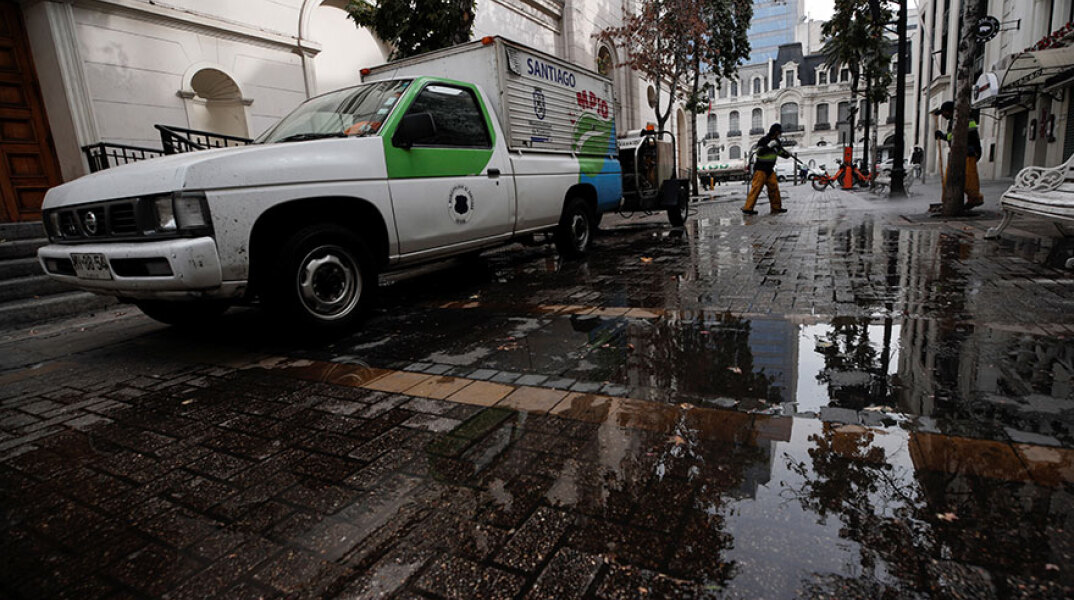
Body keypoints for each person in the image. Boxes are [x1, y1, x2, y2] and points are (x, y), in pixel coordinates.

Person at [933, 101, 983, 208]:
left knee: (968, 180)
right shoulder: (953, 121)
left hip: (968, 153)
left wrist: (944, 136)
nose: (942, 116)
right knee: (950, 179)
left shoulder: (964, 119)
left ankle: (975, 198)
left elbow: (961, 135)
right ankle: (948, 200)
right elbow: (952, 136)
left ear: (948, 111)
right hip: (957, 154)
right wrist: (942, 136)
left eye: (943, 113)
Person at [742, 123, 792, 215]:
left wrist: (787, 154)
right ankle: (748, 208)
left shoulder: (777, 142)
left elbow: (780, 152)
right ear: (775, 132)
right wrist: (769, 146)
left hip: (770, 169)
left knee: (774, 188)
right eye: (779, 132)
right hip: (761, 169)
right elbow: (759, 152)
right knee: (756, 188)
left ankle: (776, 208)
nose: (780, 134)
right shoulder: (763, 140)